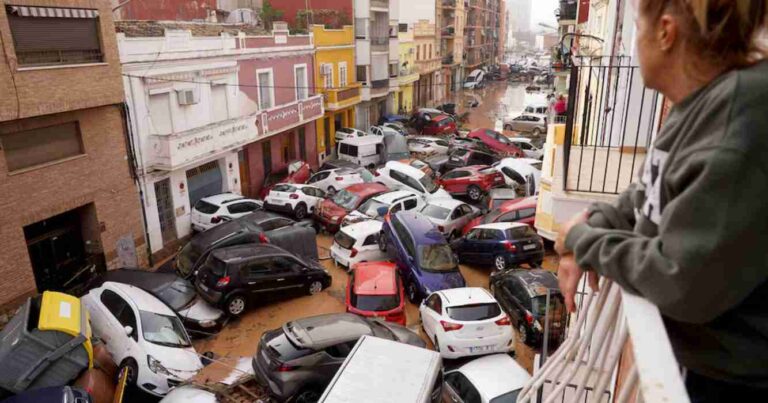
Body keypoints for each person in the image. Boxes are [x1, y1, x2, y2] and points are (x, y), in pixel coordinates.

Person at [554, 0, 768, 401]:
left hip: (734, 385)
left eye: (637, 27)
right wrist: (593, 227)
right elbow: (643, 197)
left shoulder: (738, 117)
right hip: (704, 367)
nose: (634, 42)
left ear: (666, 32)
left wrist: (582, 239)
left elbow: (681, 279)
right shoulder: (699, 106)